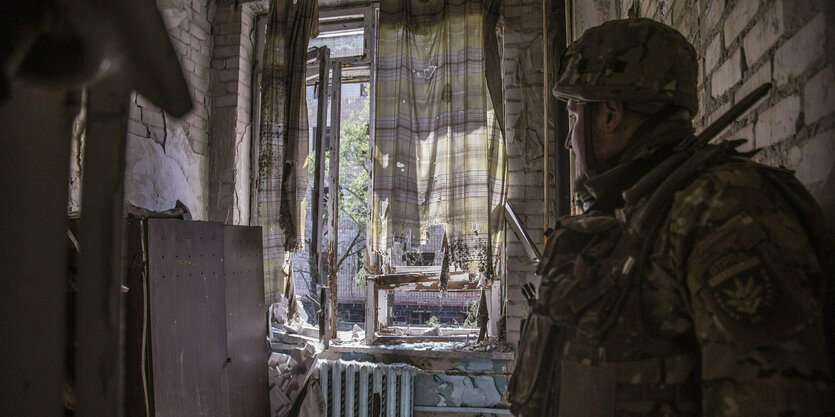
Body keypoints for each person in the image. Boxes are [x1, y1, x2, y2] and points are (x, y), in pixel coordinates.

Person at [508, 18, 833, 416]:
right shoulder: (645, 209)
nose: (568, 139)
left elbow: (771, 398)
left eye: (575, 116)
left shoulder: (723, 210)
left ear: (609, 115)